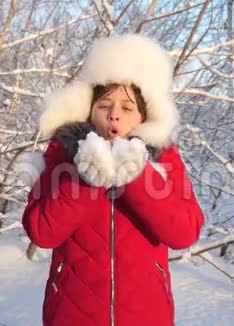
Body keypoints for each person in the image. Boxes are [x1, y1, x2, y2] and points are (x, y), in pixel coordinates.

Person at [19, 34, 205, 326]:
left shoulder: (163, 158)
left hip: (147, 315)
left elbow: (184, 232)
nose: (114, 115)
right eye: (105, 104)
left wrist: (134, 175)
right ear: (91, 109)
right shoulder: (63, 153)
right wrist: (88, 175)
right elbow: (42, 231)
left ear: (144, 116)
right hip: (72, 314)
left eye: (127, 108)